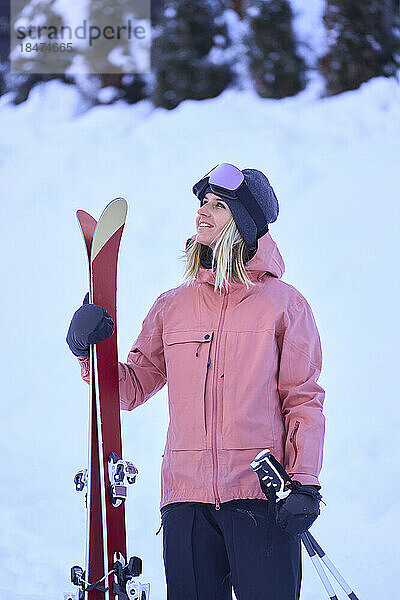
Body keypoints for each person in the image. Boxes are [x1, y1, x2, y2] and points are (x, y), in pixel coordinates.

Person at [67, 163, 325, 600]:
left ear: (243, 221)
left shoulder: (286, 306)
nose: (203, 212)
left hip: (260, 499)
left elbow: (302, 400)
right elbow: (130, 388)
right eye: (202, 203)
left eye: (218, 205)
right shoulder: (173, 306)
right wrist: (86, 350)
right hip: (186, 500)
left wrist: (304, 484)